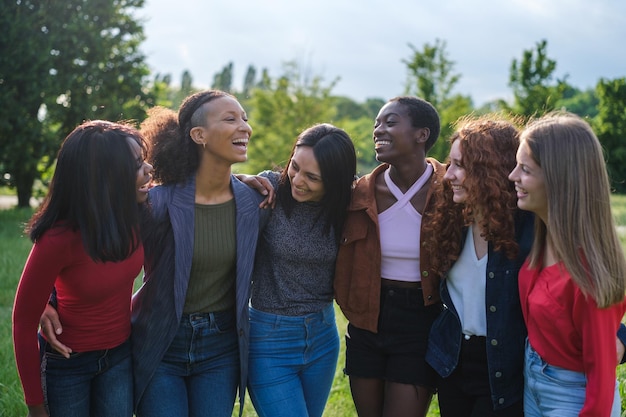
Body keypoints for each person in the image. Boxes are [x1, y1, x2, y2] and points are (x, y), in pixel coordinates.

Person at [129, 90, 271, 417]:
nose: (245, 128)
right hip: (162, 342)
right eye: (231, 119)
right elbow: (96, 250)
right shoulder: (156, 203)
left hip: (221, 349)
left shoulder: (255, 202)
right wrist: (50, 301)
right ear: (199, 135)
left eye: (245, 119)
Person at [12, 120, 153, 417]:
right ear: (105, 178)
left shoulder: (139, 213)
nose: (149, 170)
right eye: (137, 165)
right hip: (67, 366)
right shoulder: (59, 238)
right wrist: (36, 407)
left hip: (119, 357)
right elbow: (23, 324)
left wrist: (242, 180)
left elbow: (195, 191)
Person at [509, 112, 626, 417]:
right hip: (534, 377)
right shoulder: (543, 236)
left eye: (525, 169)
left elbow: (600, 385)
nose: (513, 177)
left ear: (559, 179)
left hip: (572, 395)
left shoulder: (587, 275)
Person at [334, 96, 445, 417]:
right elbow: (304, 183)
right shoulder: (358, 193)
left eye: (390, 122)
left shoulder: (449, 191)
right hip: (367, 320)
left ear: (421, 134)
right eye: (376, 124)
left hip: (420, 321)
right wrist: (256, 180)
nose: (378, 130)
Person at [246, 123, 356, 417]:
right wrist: (239, 180)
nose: (297, 180)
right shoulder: (269, 190)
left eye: (312, 177)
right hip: (269, 339)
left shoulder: (350, 203)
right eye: (294, 166)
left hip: (322, 335)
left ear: (335, 181)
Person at [424, 116, 531, 416]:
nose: (449, 175)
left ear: (490, 171)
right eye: (450, 163)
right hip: (453, 363)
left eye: (460, 166)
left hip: (502, 367)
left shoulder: (528, 230)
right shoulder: (452, 221)